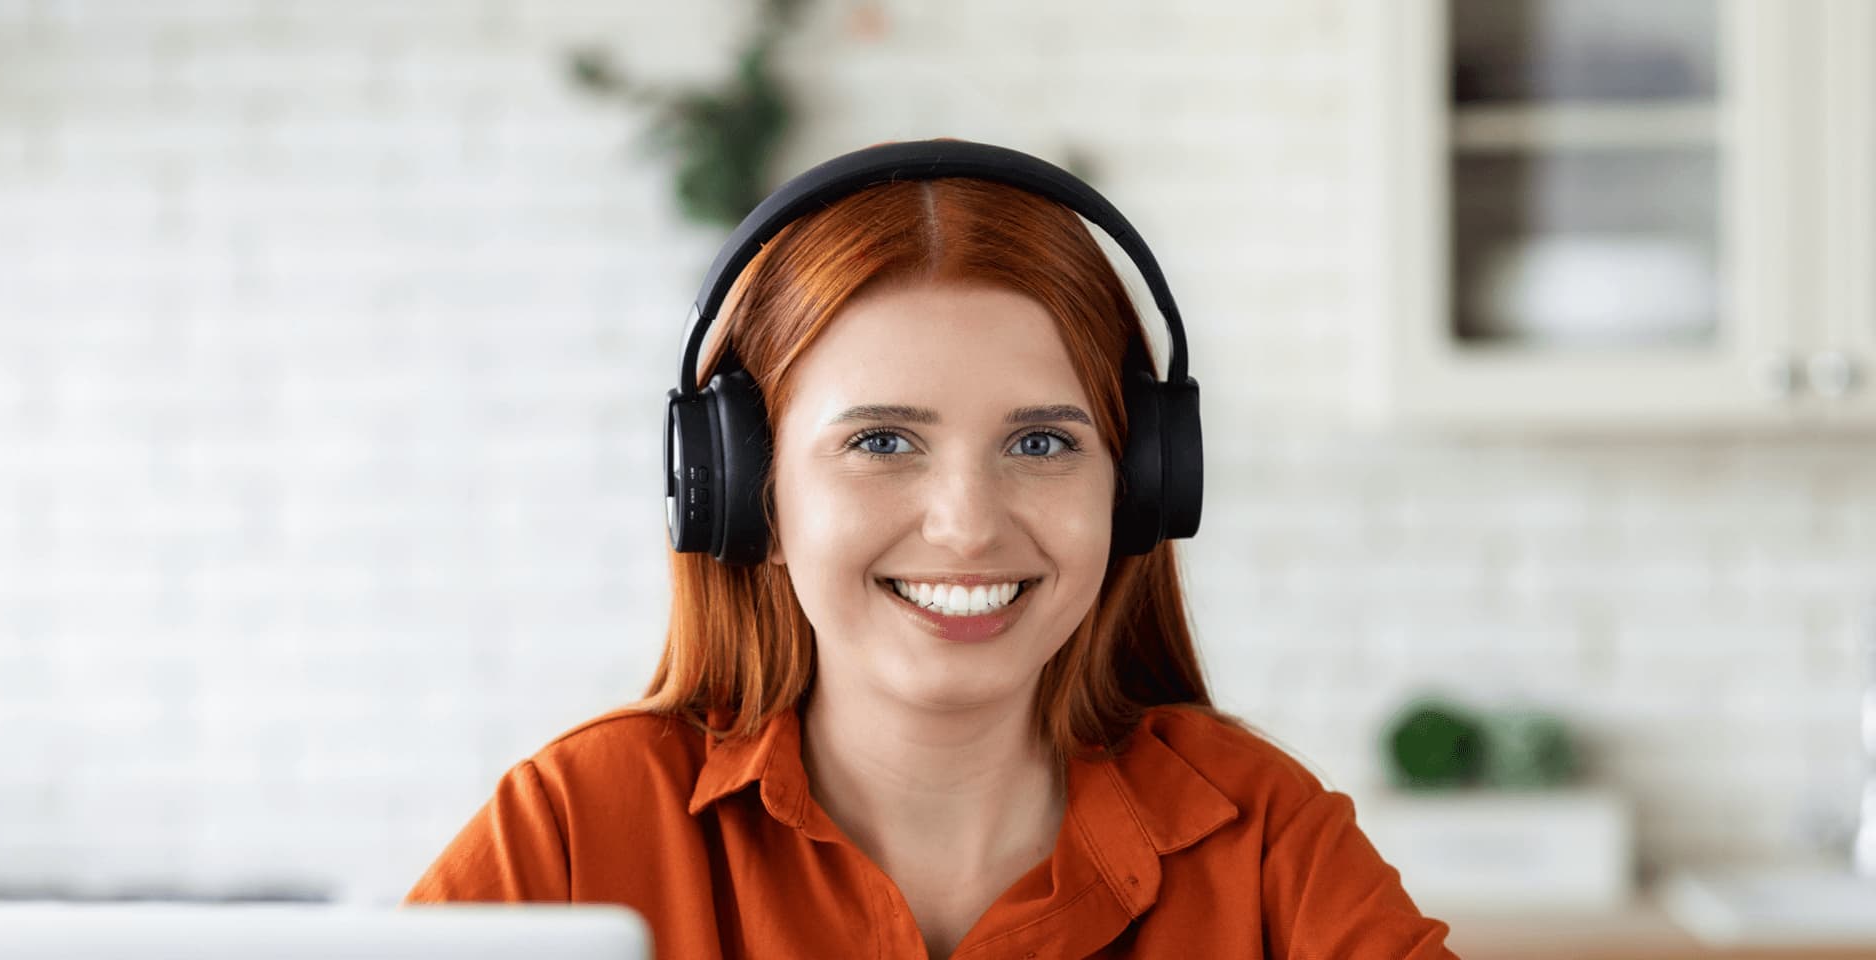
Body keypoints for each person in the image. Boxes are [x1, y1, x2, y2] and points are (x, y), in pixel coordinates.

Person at [405, 140, 1460, 959]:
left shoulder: (1264, 837)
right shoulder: (577, 827)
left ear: (1141, 489)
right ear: (746, 495)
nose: (966, 523)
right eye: (881, 442)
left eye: (1041, 441)